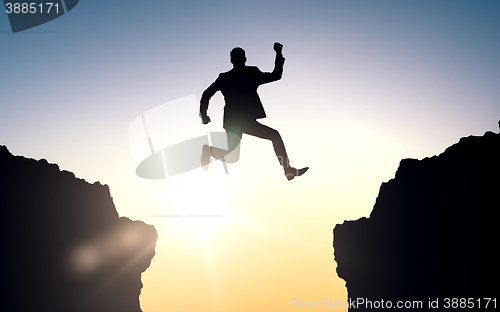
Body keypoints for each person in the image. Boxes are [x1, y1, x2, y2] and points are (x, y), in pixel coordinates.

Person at [199, 43, 308, 181]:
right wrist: (278, 53)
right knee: (274, 136)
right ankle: (288, 170)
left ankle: (210, 151)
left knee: (232, 157)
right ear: (245, 59)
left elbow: (206, 93)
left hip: (232, 121)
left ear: (231, 60)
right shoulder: (251, 73)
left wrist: (204, 114)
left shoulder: (225, 77)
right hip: (244, 121)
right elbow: (276, 75)